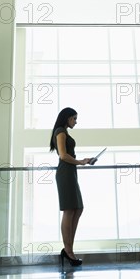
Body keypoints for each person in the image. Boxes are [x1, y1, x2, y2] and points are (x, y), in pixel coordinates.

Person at [50, 107, 92, 267]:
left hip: (70, 172)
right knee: (69, 210)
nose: (76, 121)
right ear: (67, 118)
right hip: (65, 173)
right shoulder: (60, 131)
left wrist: (83, 161)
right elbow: (63, 155)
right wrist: (81, 161)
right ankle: (68, 251)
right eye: (74, 118)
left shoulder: (64, 131)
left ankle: (69, 249)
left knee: (78, 208)